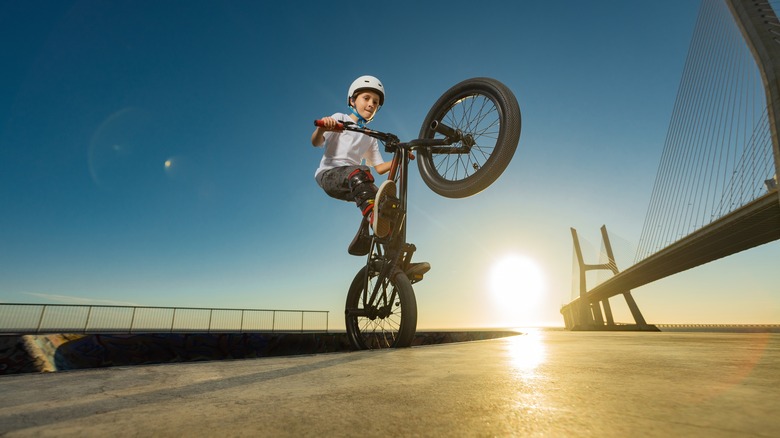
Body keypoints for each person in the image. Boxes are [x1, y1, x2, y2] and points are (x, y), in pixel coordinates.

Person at [311, 75, 398, 256]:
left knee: (388, 206)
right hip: (329, 176)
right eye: (366, 98)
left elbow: (380, 167)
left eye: (375, 102)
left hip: (356, 181)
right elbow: (315, 142)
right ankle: (371, 216)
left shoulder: (369, 136)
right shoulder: (340, 119)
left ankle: (394, 258)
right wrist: (323, 127)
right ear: (352, 100)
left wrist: (401, 157)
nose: (371, 104)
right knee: (360, 172)